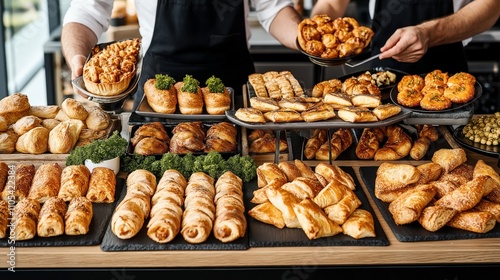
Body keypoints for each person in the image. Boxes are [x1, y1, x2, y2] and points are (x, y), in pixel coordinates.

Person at [61, 0, 303, 109]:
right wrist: (77, 60)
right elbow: (86, 11)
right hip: (158, 98)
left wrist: (307, 40)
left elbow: (274, 9)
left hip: (233, 99)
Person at [310, 0, 500, 74]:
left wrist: (429, 34)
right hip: (380, 78)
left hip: (448, 83)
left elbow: (492, 7)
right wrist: (316, 31)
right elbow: (332, 5)